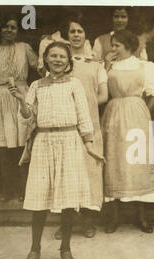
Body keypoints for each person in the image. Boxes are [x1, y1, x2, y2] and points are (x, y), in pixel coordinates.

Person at [10, 41, 103, 259]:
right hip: (43, 142)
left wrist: (89, 145)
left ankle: (66, 248)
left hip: (69, 141)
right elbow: (26, 117)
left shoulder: (75, 84)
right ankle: (35, 248)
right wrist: (22, 100)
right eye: (53, 56)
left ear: (69, 61)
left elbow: (83, 115)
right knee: (40, 198)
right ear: (45, 59)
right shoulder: (36, 86)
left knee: (68, 199)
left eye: (62, 56)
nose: (58, 60)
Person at [101, 30, 154, 234]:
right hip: (114, 114)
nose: (113, 49)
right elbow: (100, 90)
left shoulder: (145, 66)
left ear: (128, 46)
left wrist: (143, 111)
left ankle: (142, 216)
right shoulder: (109, 66)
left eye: (117, 45)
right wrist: (106, 65)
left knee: (137, 163)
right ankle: (113, 216)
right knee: (115, 161)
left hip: (137, 116)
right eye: (112, 44)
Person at [52, 17, 109, 240]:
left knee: (90, 172)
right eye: (72, 31)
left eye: (80, 31)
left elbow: (103, 95)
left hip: (91, 126)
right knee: (66, 173)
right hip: (66, 126)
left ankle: (88, 221)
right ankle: (66, 223)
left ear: (86, 36)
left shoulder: (96, 65)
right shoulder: (59, 63)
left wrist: (84, 103)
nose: (76, 35)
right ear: (67, 35)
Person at [0, 14, 38, 202]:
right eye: (5, 27)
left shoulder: (24, 48)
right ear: (0, 29)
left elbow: (39, 67)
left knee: (23, 143)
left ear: (18, 31)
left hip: (21, 95)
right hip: (0, 96)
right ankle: (8, 190)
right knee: (4, 145)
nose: (9, 31)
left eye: (13, 27)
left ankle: (24, 189)